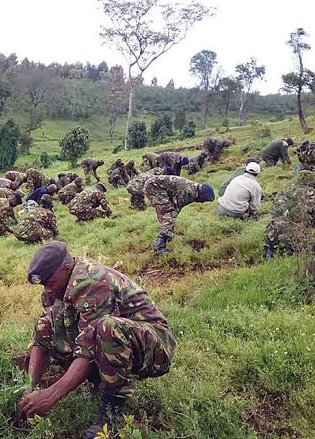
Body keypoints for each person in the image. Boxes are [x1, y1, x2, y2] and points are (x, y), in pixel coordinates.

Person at [18, 241, 176, 436]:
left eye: (50, 283)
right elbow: (41, 337)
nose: (47, 290)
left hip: (155, 348)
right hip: (121, 340)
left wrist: (52, 395)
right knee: (46, 324)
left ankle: (113, 416)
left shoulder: (91, 282)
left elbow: (87, 348)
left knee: (106, 329)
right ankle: (99, 383)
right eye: (43, 285)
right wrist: (29, 387)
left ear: (67, 269)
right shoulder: (58, 287)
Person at [144, 176, 215, 254]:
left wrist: (169, 228)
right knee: (168, 213)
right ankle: (159, 248)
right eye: (204, 199)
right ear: (201, 194)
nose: (202, 202)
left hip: (159, 187)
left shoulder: (194, 190)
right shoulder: (188, 192)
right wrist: (169, 225)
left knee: (169, 214)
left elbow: (176, 207)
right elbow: (174, 209)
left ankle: (167, 234)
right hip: (154, 187)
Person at [264, 171, 315, 260]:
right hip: (291, 237)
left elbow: (274, 211)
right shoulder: (310, 192)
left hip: (270, 234)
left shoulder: (285, 190)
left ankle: (270, 253)